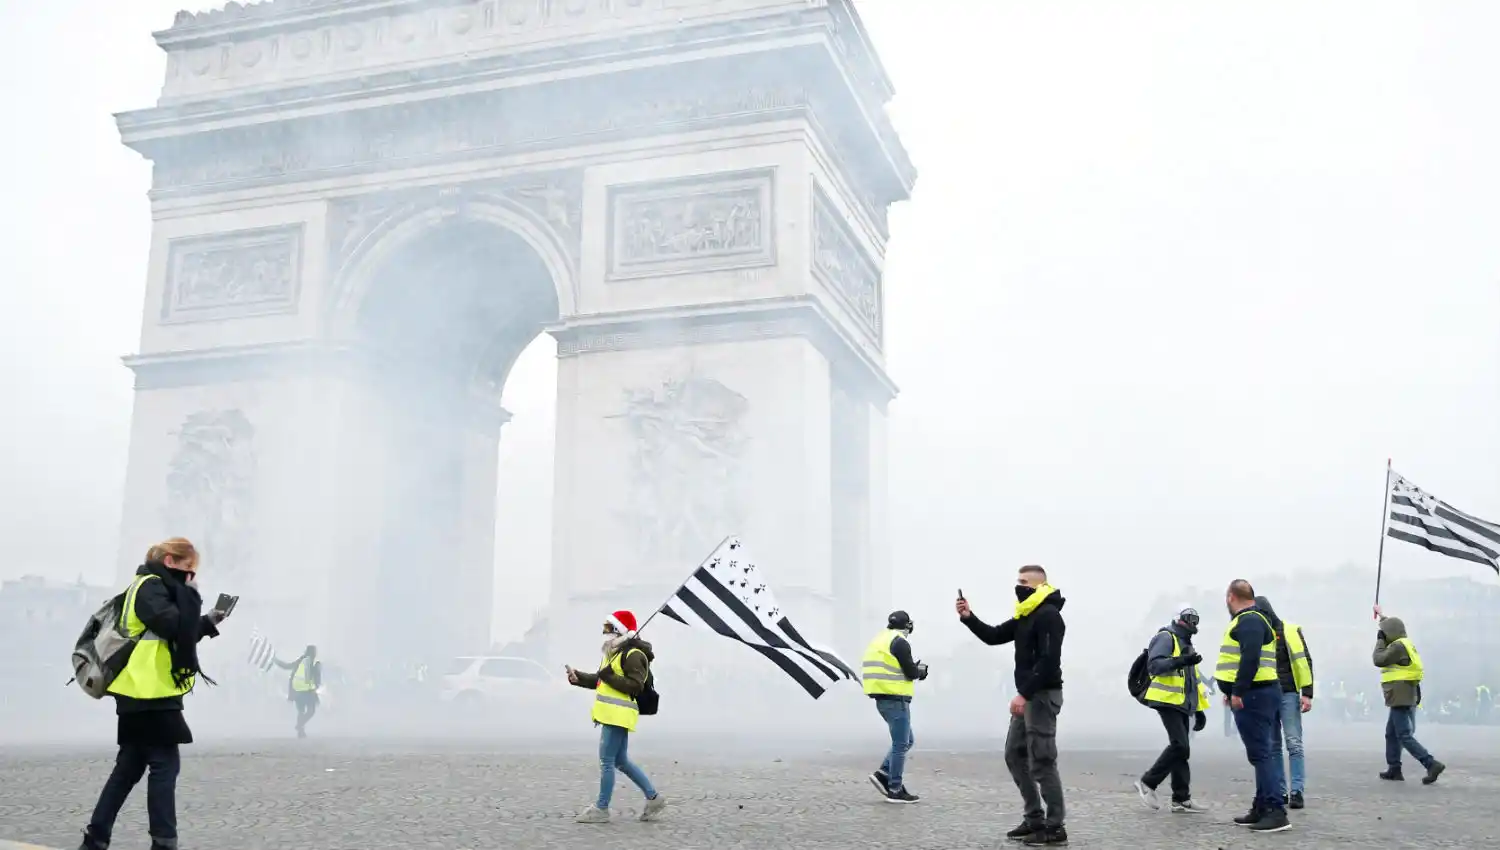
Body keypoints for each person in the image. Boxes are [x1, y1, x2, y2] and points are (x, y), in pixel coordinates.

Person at [79, 537, 229, 850]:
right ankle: (163, 842)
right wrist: (193, 604)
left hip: (145, 690)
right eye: (188, 570)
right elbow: (171, 626)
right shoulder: (149, 586)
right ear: (170, 561)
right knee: (164, 765)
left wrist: (208, 621)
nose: (190, 578)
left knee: (129, 768)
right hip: (148, 691)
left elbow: (174, 630)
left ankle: (96, 838)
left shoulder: (157, 588)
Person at [956, 565, 1068, 846]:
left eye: (1023, 582)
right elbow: (994, 635)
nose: (1018, 586)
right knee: (1014, 755)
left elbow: (1049, 661)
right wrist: (969, 617)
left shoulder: (1048, 615)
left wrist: (1024, 694)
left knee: (1042, 761)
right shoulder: (1025, 614)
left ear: (1039, 585)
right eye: (1017, 581)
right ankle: (1034, 819)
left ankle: (1055, 827)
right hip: (1028, 696)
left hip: (1042, 696)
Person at [567, 610, 667, 824]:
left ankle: (601, 809)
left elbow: (636, 686)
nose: (605, 633)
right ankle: (654, 798)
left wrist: (609, 677)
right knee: (620, 761)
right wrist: (578, 678)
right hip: (612, 714)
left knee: (607, 761)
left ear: (619, 630)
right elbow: (600, 680)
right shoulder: (614, 653)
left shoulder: (633, 655)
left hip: (618, 715)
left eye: (608, 628)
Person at [1214, 580, 1289, 833]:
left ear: (1231, 597)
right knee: (1260, 753)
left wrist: (1237, 691)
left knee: (1261, 754)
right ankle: (1261, 807)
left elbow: (1250, 657)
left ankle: (1275, 810)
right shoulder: (1254, 619)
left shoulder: (1249, 620)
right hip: (1258, 693)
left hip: (1255, 696)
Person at [1134, 608, 1210, 813]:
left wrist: (1199, 709)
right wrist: (1182, 660)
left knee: (1182, 750)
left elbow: (1193, 681)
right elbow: (1155, 666)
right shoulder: (1166, 637)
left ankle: (1181, 798)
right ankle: (1147, 782)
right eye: (1189, 619)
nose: (1193, 624)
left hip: (1182, 703)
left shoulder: (1187, 643)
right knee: (1180, 746)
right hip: (1166, 699)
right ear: (1179, 619)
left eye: (1196, 620)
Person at [1372, 605, 1445, 784]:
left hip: (1400, 695)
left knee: (1404, 735)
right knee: (1391, 733)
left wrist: (1380, 640)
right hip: (1405, 693)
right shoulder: (1405, 642)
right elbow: (1391, 626)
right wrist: (1381, 615)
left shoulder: (1397, 647)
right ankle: (1394, 768)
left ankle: (1430, 763)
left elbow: (1378, 659)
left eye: (1384, 632)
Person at [863, 610, 929, 803]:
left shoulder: (880, 639)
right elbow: (910, 672)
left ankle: (883, 773)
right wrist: (920, 671)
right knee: (901, 744)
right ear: (907, 625)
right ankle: (895, 788)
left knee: (907, 740)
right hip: (896, 698)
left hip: (881, 697)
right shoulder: (900, 641)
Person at [1256, 597, 1314, 810]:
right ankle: (1281, 792)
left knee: (1293, 744)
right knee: (1274, 747)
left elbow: (1305, 660)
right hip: (1267, 695)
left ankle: (1296, 790)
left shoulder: (1290, 630)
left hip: (1288, 693)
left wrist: (1307, 693)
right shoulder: (1257, 632)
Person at [274, 645, 322, 738]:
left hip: (298, 690)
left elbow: (287, 666)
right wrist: (316, 686)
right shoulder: (314, 662)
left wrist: (276, 661)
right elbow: (317, 676)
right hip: (308, 691)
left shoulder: (301, 661)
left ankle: (300, 729)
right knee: (310, 711)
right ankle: (300, 727)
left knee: (301, 711)